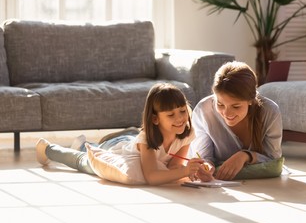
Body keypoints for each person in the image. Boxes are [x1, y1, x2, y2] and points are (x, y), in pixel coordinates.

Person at [36, 83, 204, 185]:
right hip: (118, 149)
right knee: (85, 162)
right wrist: (184, 172)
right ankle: (49, 148)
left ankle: (127, 133)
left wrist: (195, 170)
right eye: (171, 115)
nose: (180, 118)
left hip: (132, 139)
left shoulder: (185, 134)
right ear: (155, 119)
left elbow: (173, 166)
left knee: (131, 136)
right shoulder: (148, 140)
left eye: (182, 111)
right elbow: (152, 176)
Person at [190, 61, 283, 181]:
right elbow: (203, 157)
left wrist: (245, 156)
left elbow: (273, 159)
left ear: (250, 100)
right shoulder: (203, 111)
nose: (227, 113)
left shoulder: (270, 112)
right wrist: (206, 166)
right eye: (220, 104)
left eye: (236, 106)